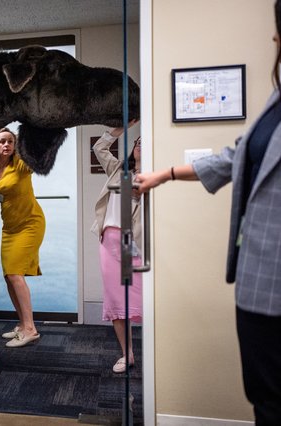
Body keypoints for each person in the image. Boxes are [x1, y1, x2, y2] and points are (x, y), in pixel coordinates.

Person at [137, 2, 281, 422]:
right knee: (265, 399)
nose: (273, 38)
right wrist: (163, 174)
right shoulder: (276, 100)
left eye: (278, 29)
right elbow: (234, 158)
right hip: (258, 284)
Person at [0, 127, 44, 348]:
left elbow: (37, 153)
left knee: (16, 274)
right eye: (2, 142)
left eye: (10, 141)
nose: (6, 145)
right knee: (9, 275)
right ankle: (22, 323)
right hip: (10, 228)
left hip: (30, 224)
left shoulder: (21, 165)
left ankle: (30, 329)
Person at [91, 123, 142, 373]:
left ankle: (158, 355)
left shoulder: (154, 176)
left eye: (145, 143)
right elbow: (99, 147)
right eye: (137, 143)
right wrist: (120, 129)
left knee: (139, 299)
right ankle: (127, 353)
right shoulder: (119, 170)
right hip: (110, 239)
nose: (140, 147)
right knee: (115, 301)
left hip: (133, 242)